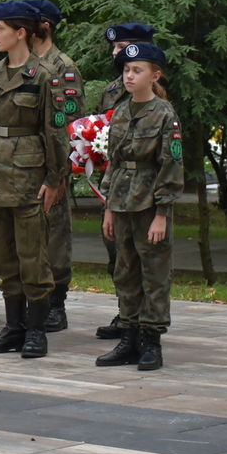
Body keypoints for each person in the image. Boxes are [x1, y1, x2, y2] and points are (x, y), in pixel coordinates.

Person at [0, 1, 65, 359]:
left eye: (0, 29)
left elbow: (56, 132)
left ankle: (36, 330)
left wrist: (55, 179)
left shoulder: (43, 76)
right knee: (1, 257)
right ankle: (13, 327)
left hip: (29, 177)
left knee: (33, 256)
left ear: (21, 33)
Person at [95, 42, 183, 371]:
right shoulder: (120, 112)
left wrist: (162, 214)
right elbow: (113, 163)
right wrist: (108, 207)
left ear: (154, 75)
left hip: (149, 204)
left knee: (154, 273)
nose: (129, 76)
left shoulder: (164, 114)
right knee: (125, 271)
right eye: (126, 70)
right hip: (121, 202)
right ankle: (128, 336)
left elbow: (170, 167)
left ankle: (152, 340)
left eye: (137, 71)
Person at [94, 22, 158, 339]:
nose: (115, 54)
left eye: (122, 47)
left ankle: (146, 322)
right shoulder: (111, 91)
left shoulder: (156, 95)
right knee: (118, 256)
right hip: (116, 185)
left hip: (144, 191)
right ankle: (126, 314)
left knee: (143, 258)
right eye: (115, 48)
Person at [24, 0, 83, 333]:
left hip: (53, 164)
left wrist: (60, 174)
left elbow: (70, 123)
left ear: (43, 27)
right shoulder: (25, 65)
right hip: (23, 165)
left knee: (55, 235)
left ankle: (56, 304)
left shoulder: (63, 67)